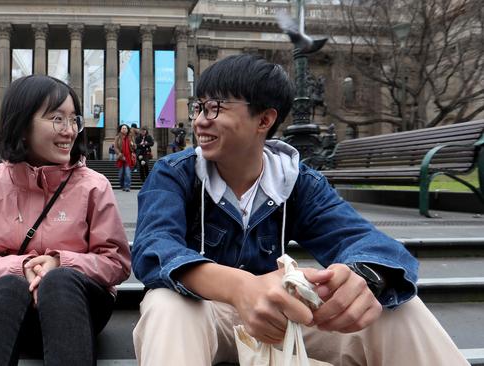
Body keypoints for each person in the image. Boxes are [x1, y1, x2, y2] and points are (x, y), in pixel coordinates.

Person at [131, 54, 467, 366]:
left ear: (264, 119)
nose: (200, 122)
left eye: (215, 108)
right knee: (166, 306)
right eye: (199, 108)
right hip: (201, 310)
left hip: (281, 315)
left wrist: (363, 279)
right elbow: (154, 247)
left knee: (394, 310)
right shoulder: (175, 173)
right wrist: (240, 288)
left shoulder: (297, 181)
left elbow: (367, 242)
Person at [0, 75, 131, 366]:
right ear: (23, 124)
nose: (70, 131)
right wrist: (21, 267)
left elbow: (117, 263)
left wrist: (60, 263)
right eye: (57, 119)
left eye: (73, 119)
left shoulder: (94, 185)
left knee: (59, 280)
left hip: (82, 308)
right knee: (8, 284)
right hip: (16, 309)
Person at [114, 124, 135, 192]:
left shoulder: (130, 137)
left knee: (127, 174)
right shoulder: (118, 137)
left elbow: (135, 147)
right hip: (121, 158)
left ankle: (127, 187)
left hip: (128, 158)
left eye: (125, 128)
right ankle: (122, 185)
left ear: (127, 129)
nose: (124, 129)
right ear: (120, 129)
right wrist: (119, 154)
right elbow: (115, 147)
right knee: (120, 175)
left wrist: (133, 144)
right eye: (123, 128)